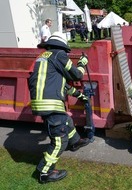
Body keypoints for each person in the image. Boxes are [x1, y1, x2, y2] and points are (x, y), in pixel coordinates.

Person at [29, 32, 91, 183]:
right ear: (62, 47)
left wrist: (80, 96)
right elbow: (76, 75)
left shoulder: (44, 58)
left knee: (66, 121)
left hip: (42, 102)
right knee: (59, 140)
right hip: (50, 103)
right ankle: (45, 172)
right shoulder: (59, 55)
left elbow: (63, 86)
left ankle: (75, 142)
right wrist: (83, 62)